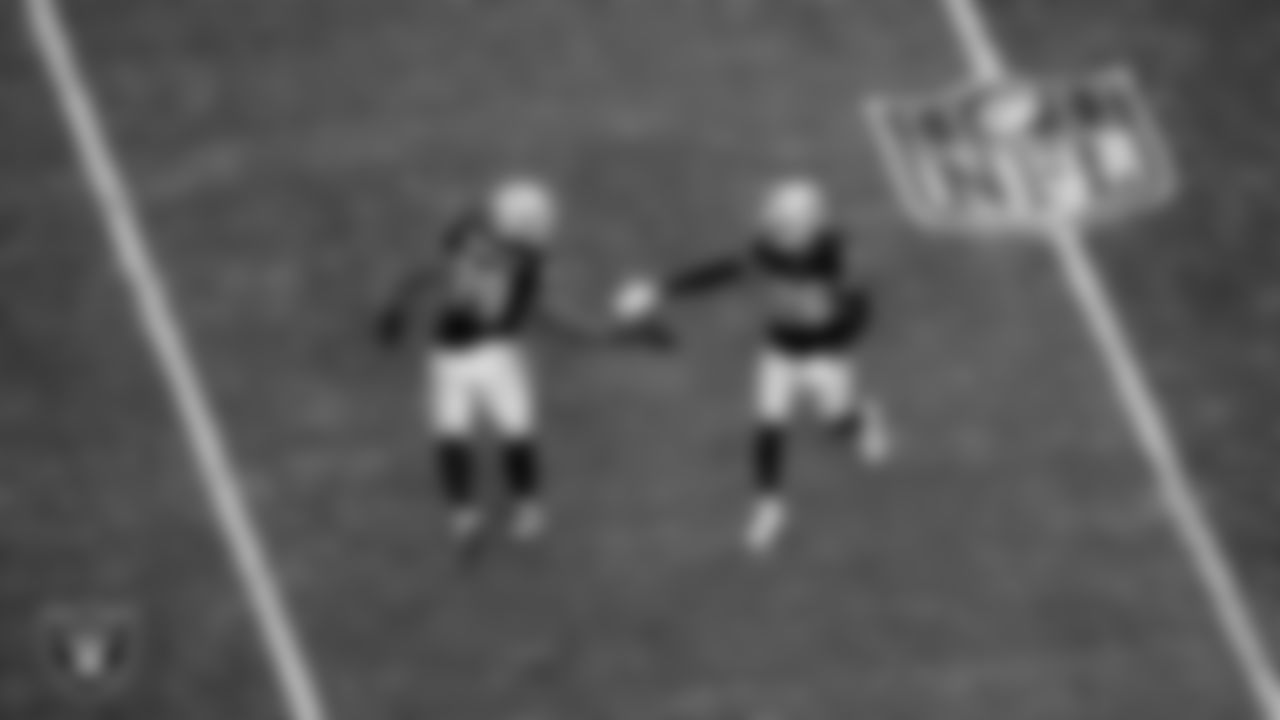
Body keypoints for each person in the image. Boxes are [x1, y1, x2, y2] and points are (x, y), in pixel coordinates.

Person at [613, 177, 892, 555]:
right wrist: (660, 289)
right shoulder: (769, 250)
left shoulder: (836, 254)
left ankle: (864, 419)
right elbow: (724, 272)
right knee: (768, 425)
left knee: (838, 422)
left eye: (787, 225)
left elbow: (860, 308)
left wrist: (834, 331)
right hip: (779, 350)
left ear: (810, 225)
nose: (779, 232)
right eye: (778, 224)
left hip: (825, 354)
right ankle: (769, 506)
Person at [378, 176, 564, 549]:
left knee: (492, 434)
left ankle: (502, 510)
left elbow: (432, 273)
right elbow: (435, 274)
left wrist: (396, 307)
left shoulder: (492, 253)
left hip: (478, 354)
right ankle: (485, 514)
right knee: (474, 434)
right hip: (472, 356)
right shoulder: (505, 259)